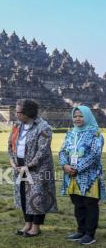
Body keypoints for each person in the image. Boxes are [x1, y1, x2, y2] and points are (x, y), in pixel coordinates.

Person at [8, 99, 57, 237]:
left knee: (37, 196)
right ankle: (27, 224)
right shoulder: (17, 126)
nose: (16, 115)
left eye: (19, 112)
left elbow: (42, 151)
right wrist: (12, 162)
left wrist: (28, 166)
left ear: (28, 113)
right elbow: (11, 144)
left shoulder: (43, 127)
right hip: (19, 165)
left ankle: (36, 227)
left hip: (38, 168)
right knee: (23, 194)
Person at [59, 105, 105, 245]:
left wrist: (77, 169)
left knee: (90, 204)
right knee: (77, 204)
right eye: (75, 116)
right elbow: (62, 151)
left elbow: (94, 155)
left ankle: (90, 234)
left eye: (80, 116)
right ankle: (81, 230)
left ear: (88, 116)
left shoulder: (95, 134)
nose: (77, 119)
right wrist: (65, 165)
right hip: (72, 176)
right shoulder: (70, 133)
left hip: (89, 176)